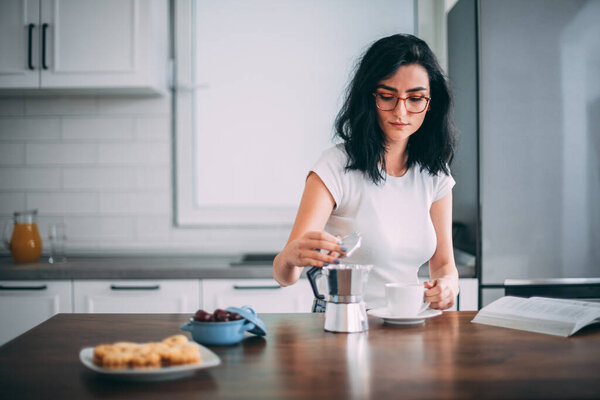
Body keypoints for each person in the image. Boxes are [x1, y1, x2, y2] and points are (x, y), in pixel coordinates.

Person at [272, 34, 459, 310]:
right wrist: (289, 257)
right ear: (368, 97)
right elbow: (285, 275)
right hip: (344, 319)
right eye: (387, 96)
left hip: (407, 320)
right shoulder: (335, 166)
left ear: (431, 104)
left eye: (415, 98)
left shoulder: (434, 172)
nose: (401, 111)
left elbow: (444, 266)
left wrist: (447, 287)